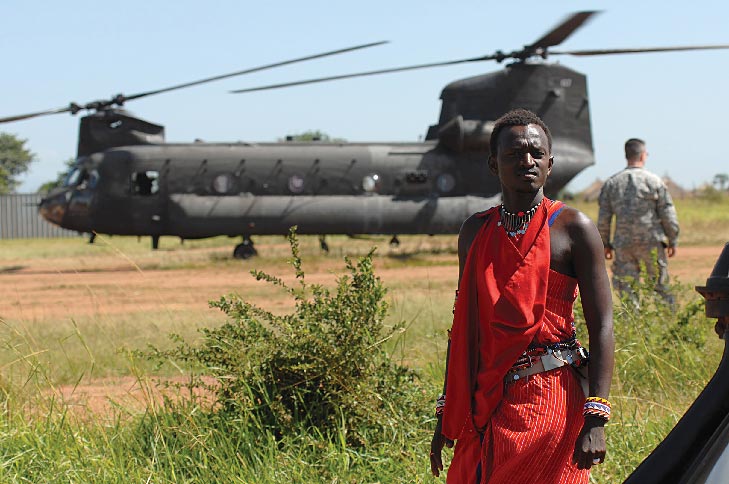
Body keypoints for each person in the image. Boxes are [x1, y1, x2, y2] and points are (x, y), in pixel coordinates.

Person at [430, 109, 614, 483]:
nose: (526, 161)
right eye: (513, 154)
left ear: (550, 163)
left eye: (536, 153)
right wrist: (448, 411)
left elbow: (603, 324)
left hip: (550, 395)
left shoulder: (574, 228)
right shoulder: (475, 231)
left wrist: (596, 417)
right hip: (485, 400)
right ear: (493, 164)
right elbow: (463, 326)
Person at [597, 138, 680, 305]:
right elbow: (668, 214)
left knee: (627, 290)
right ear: (643, 155)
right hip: (652, 244)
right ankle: (669, 325)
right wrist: (673, 239)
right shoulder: (655, 182)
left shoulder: (612, 183)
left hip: (624, 246)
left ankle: (631, 327)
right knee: (660, 287)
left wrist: (604, 244)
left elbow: (604, 219)